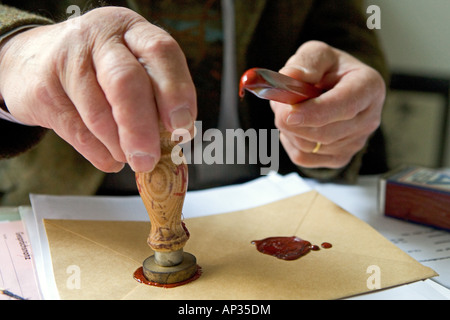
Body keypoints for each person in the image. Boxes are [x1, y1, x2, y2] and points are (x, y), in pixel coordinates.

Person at [0, 0, 388, 205]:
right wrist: (12, 49)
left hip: (266, 197)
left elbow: (350, 43)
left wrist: (340, 112)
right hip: (65, 203)